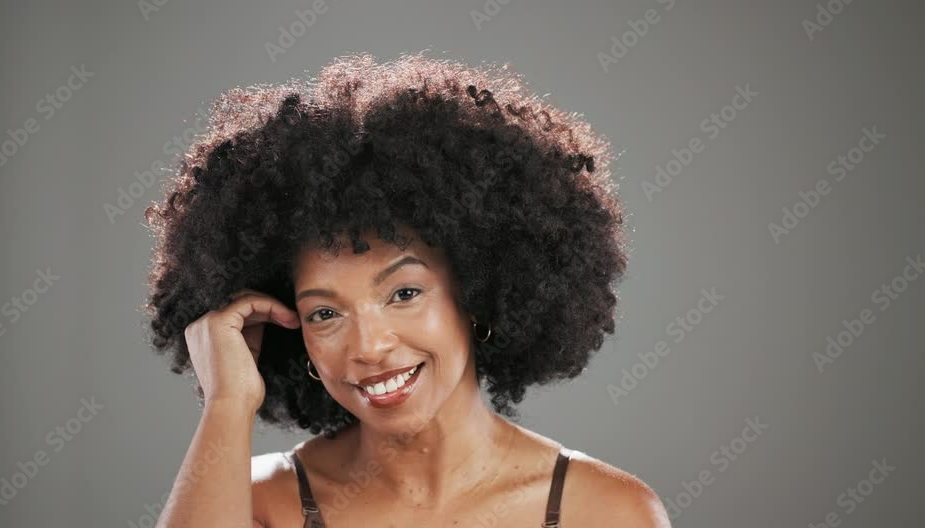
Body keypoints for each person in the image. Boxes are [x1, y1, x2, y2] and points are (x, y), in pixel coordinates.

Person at [142, 51, 670, 527]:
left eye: (404, 294)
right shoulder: (259, 504)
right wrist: (227, 403)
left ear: (476, 292)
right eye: (325, 314)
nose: (369, 347)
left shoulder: (605, 512)